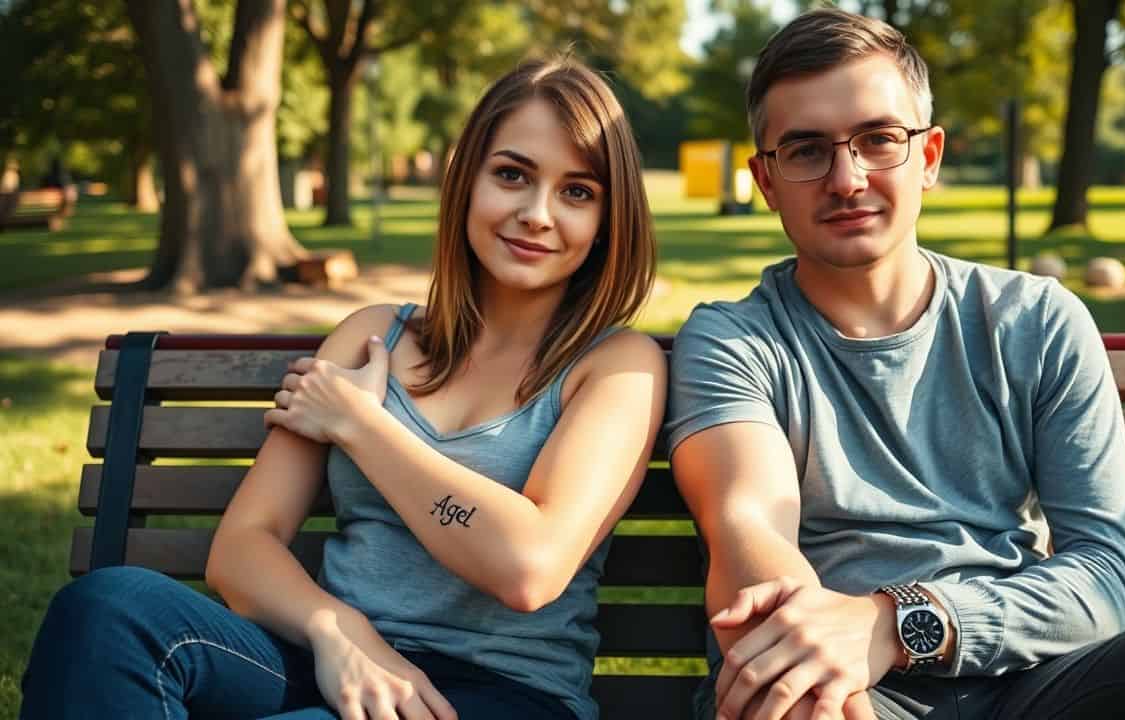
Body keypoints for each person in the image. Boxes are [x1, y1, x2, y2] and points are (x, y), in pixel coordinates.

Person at [665, 9, 1125, 720]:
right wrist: (816, 658)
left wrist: (897, 623)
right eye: (805, 150)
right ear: (765, 181)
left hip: (1029, 683)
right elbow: (750, 524)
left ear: (927, 157)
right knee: (790, 695)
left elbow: (1104, 577)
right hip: (846, 694)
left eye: (878, 140)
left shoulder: (1036, 320)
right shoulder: (736, 340)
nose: (846, 177)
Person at [22, 56, 665, 720]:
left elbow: (528, 568)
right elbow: (242, 547)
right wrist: (338, 631)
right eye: (512, 175)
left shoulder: (617, 366)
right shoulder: (372, 336)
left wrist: (362, 425)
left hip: (499, 693)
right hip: (325, 658)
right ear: (466, 182)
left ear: (609, 221)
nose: (536, 213)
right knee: (108, 610)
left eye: (577, 192)